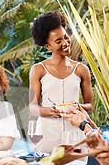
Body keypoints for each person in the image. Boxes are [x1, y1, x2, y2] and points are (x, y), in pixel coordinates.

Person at [29, 11, 93, 153]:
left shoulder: (81, 69)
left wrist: (78, 106)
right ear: (47, 46)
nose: (65, 43)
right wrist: (50, 111)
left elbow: (90, 105)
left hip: (75, 134)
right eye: (58, 41)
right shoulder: (38, 70)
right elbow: (32, 107)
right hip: (47, 135)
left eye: (66, 37)